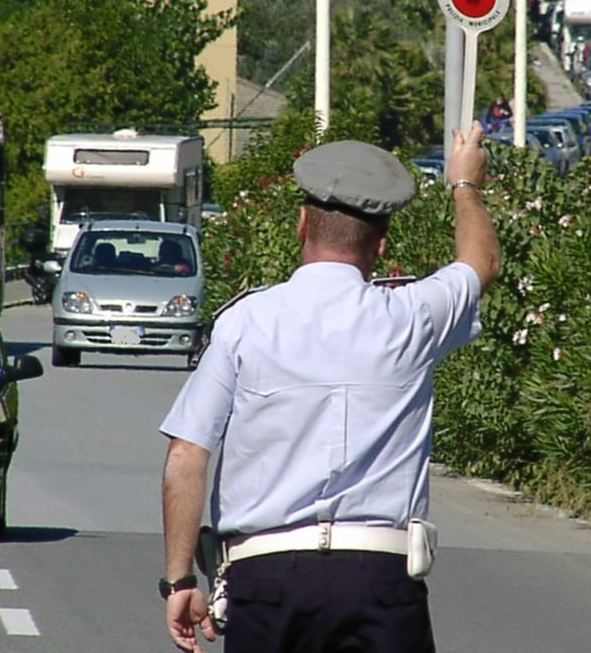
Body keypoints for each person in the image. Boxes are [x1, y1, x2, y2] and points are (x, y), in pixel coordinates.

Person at [159, 124, 501, 653]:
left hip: (266, 584)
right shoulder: (411, 318)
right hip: (381, 585)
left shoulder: (245, 323)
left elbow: (186, 453)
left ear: (302, 224)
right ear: (381, 241)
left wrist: (181, 579)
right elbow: (480, 264)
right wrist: (465, 184)